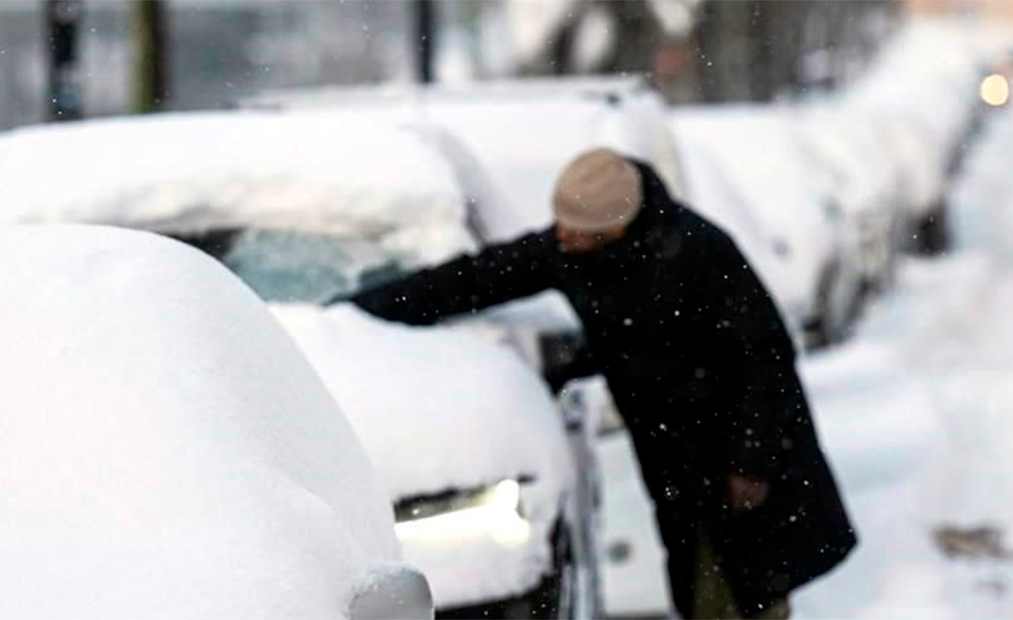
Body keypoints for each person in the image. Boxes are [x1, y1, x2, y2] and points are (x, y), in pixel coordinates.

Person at [347, 148, 856, 619]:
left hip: (734, 451)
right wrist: (360, 310)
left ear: (614, 229)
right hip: (672, 453)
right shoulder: (574, 250)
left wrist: (751, 460)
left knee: (745, 587)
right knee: (701, 585)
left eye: (575, 229)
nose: (560, 235)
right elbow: (477, 278)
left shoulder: (700, 253)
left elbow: (765, 358)